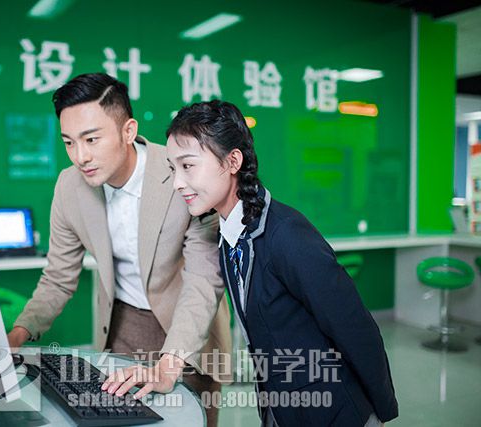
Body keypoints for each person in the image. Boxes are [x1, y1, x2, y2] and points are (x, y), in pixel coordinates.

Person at [8, 73, 231, 427]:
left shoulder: (183, 171)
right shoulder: (69, 187)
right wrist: (16, 335)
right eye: (69, 143)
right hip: (121, 327)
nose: (80, 156)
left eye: (91, 139)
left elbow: (203, 280)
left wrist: (169, 363)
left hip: (188, 330)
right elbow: (58, 277)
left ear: (128, 131)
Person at [165, 100, 398, 427]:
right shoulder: (228, 235)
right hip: (283, 406)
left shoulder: (286, 235)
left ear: (232, 161)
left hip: (332, 411)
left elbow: (355, 327)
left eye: (188, 166)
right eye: (172, 168)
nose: (177, 182)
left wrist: (381, 412)